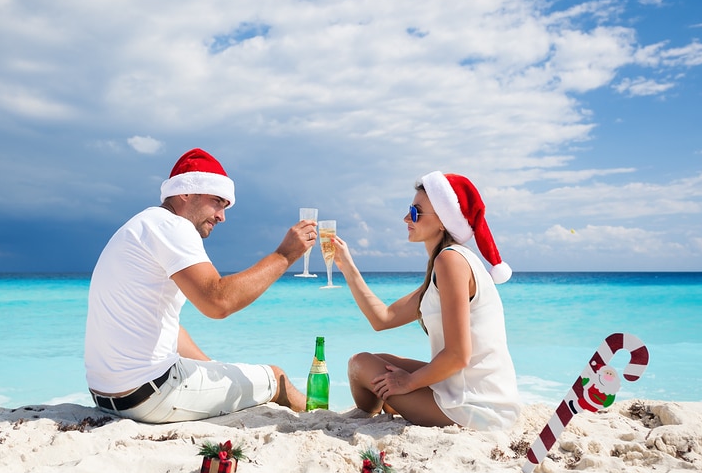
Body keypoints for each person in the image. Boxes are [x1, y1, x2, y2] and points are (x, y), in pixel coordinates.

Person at [85, 148, 314, 423]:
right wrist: (284, 255)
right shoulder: (173, 227)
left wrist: (215, 369)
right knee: (276, 378)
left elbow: (166, 325)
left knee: (222, 371)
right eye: (217, 201)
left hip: (108, 397)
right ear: (185, 192)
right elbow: (218, 302)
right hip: (151, 396)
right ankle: (325, 419)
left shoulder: (139, 226)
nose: (222, 216)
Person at [333, 171, 521, 429]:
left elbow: (458, 355)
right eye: (409, 210)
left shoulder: (450, 261)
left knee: (360, 364)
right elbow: (383, 318)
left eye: (415, 212)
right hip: (472, 390)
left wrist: (408, 383)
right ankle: (393, 406)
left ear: (443, 221)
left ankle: (382, 409)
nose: (406, 218)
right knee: (378, 361)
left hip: (478, 406)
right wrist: (348, 267)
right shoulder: (448, 262)